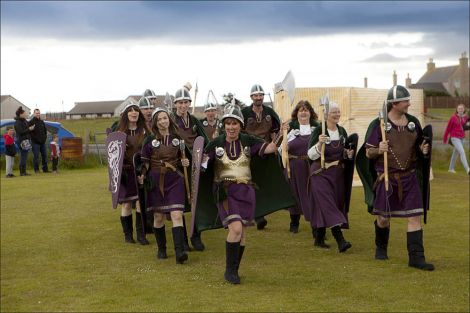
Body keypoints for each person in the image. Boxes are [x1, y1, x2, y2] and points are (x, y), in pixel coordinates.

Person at [196, 103, 294, 284]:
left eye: (235, 123)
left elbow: (270, 148)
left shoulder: (249, 140)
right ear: (224, 125)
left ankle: (234, 270)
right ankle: (229, 271)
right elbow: (202, 165)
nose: (231, 127)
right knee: (236, 229)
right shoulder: (216, 143)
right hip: (225, 192)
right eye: (228, 124)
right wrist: (199, 161)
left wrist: (281, 133)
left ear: (240, 125)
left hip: (247, 191)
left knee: (242, 234)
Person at [356, 85, 434, 271]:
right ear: (394, 103)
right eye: (405, 101)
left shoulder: (413, 122)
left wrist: (423, 150)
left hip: (409, 177)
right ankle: (381, 247)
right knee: (383, 218)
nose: (409, 103)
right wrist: (378, 149)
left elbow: (419, 146)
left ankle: (416, 258)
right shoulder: (379, 124)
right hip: (387, 178)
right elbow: (368, 153)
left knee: (415, 216)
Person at [141, 108, 190, 264]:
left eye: (165, 118)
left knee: (176, 214)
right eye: (159, 119)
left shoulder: (178, 139)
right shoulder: (149, 140)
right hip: (156, 179)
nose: (163, 121)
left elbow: (186, 158)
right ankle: (161, 249)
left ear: (169, 119)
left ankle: (179, 252)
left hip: (175, 179)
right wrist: (141, 174)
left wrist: (185, 162)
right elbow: (145, 163)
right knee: (158, 216)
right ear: (155, 123)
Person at [307, 102, 355, 252]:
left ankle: (319, 238)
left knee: (331, 203)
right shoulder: (319, 131)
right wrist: (319, 145)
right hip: (320, 173)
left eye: (338, 112)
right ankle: (340, 240)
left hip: (337, 175)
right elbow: (310, 155)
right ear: (326, 115)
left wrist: (348, 154)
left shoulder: (342, 132)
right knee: (328, 203)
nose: (337, 114)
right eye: (334, 112)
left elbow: (345, 153)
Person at [172, 84, 209, 251]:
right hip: (179, 166)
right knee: (181, 205)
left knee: (196, 203)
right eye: (179, 103)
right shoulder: (170, 120)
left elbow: (204, 140)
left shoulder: (194, 120)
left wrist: (204, 158)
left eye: (186, 102)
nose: (183, 106)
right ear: (175, 104)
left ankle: (196, 236)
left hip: (195, 165)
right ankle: (183, 241)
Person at [241, 84, 281, 230]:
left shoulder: (270, 112)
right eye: (255, 95)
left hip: (266, 151)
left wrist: (276, 146)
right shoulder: (244, 112)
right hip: (249, 152)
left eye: (260, 95)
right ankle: (258, 216)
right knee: (251, 184)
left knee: (264, 184)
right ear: (251, 97)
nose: (258, 98)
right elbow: (238, 131)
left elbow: (275, 131)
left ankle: (261, 213)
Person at [115, 103, 150, 245]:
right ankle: (128, 235)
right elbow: (114, 156)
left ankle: (141, 235)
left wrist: (143, 172)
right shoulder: (119, 132)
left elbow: (149, 153)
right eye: (131, 111)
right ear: (126, 114)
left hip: (140, 171)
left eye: (136, 110)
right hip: (125, 172)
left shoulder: (145, 132)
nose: (134, 113)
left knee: (140, 203)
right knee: (127, 205)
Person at [284, 100, 319, 233]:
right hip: (294, 168)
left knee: (313, 196)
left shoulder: (317, 129)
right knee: (295, 195)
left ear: (310, 113)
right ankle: (294, 223)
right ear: (296, 114)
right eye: (301, 110)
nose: (303, 112)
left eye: (306, 110)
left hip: (311, 167)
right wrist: (283, 146)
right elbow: (280, 150)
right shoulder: (291, 131)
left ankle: (316, 227)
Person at [443, 103, 469, 175]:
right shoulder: (453, 118)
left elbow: (465, 127)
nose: (460, 110)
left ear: (464, 110)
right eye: (459, 108)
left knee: (455, 153)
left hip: (462, 138)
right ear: (457, 110)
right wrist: (445, 138)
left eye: (462, 108)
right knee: (462, 152)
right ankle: (468, 169)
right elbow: (448, 129)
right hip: (454, 138)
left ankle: (451, 168)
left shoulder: (465, 117)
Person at [14, 106, 34, 176]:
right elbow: (21, 132)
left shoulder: (24, 120)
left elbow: (28, 126)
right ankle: (22, 172)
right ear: (20, 114)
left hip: (26, 140)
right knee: (23, 156)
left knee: (24, 156)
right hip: (22, 141)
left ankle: (24, 172)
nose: (26, 114)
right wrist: (29, 129)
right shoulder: (17, 122)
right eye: (24, 113)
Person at [29, 109, 49, 173]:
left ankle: (45, 169)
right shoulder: (31, 122)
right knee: (36, 157)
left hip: (42, 142)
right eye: (36, 113)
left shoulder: (41, 121)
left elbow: (45, 131)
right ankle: (36, 170)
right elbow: (30, 133)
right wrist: (36, 139)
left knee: (44, 156)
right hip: (35, 143)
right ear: (34, 114)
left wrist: (44, 138)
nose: (38, 114)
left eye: (39, 113)